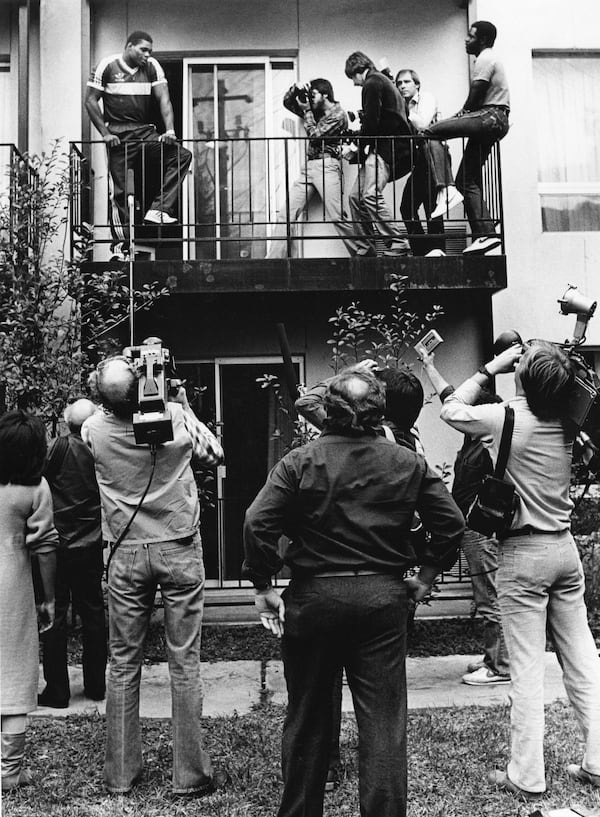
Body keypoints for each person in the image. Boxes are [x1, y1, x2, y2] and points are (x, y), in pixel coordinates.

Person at [243, 369, 465, 817]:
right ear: (379, 412)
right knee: (383, 723)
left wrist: (264, 586)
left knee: (306, 719)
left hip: (313, 598)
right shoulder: (407, 461)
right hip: (383, 600)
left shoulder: (299, 462)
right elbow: (452, 524)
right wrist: (425, 576)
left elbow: (255, 521)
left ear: (329, 410)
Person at [440, 340, 600, 799]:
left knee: (527, 668)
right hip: (564, 548)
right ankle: (597, 761)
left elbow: (451, 410)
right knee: (584, 659)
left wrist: (492, 367)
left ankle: (527, 775)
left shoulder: (504, 416)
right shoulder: (569, 421)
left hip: (522, 553)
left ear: (522, 378)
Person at [81, 355, 225, 796]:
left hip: (125, 552)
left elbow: (96, 412)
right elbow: (214, 453)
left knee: (123, 662)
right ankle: (189, 775)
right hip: (178, 545)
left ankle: (121, 776)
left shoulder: (93, 430)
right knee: (184, 659)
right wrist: (179, 400)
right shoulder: (177, 418)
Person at [295, 360, 425, 790]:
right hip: (387, 581)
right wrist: (425, 576)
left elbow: (309, 401)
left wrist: (349, 373)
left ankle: (325, 764)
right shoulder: (410, 448)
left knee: (323, 681)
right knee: (383, 708)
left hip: (327, 580)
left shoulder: (357, 438)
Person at [418, 351, 510, 685]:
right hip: (469, 529)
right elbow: (450, 397)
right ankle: (493, 657)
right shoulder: (471, 435)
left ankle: (501, 667)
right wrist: (429, 366)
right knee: (487, 595)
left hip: (481, 531)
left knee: (490, 597)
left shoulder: (490, 441)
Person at [85, 31, 193, 260]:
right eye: (143, 49)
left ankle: (159, 210)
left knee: (181, 155)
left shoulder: (152, 66)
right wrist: (104, 133)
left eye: (150, 51)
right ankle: (120, 249)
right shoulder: (107, 65)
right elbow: (90, 100)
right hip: (118, 135)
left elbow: (164, 98)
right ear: (129, 46)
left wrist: (170, 131)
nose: (147, 54)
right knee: (120, 193)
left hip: (145, 132)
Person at [0, 411, 58, 792]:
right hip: (12, 587)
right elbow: (46, 546)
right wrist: (48, 599)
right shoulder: (35, 489)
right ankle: (8, 772)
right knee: (15, 675)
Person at [37, 398, 107, 709]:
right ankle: (96, 685)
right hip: (91, 543)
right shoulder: (101, 449)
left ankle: (58, 690)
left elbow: (39, 478)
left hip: (59, 542)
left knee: (55, 614)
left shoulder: (59, 447)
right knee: (93, 613)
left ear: (68, 422)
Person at [424, 21, 510, 255]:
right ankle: (487, 235)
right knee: (465, 180)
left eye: (470, 36)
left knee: (431, 131)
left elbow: (474, 98)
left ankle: (444, 189)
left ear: (481, 40)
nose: (466, 40)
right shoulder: (490, 57)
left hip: (489, 116)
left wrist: (455, 118)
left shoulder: (484, 58)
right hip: (496, 120)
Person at [267, 79, 358, 258]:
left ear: (325, 95)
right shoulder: (314, 112)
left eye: (313, 95)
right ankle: (273, 261)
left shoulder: (338, 115)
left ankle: (364, 254)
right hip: (309, 167)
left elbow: (316, 137)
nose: (310, 99)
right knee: (286, 214)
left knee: (337, 217)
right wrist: (296, 88)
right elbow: (287, 103)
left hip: (327, 165)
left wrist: (307, 111)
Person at [344, 52, 413, 257]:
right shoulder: (383, 81)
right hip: (388, 146)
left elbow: (372, 123)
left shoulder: (372, 83)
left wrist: (355, 148)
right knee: (355, 197)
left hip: (386, 147)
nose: (355, 84)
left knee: (369, 194)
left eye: (353, 78)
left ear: (358, 71)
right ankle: (366, 249)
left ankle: (398, 242)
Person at [395, 69, 463, 256]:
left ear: (416, 84)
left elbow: (424, 123)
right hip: (420, 160)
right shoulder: (403, 106)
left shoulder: (426, 98)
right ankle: (422, 250)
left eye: (406, 82)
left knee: (433, 207)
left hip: (434, 159)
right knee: (407, 207)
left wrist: (404, 110)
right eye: (399, 83)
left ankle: (437, 250)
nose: (402, 86)